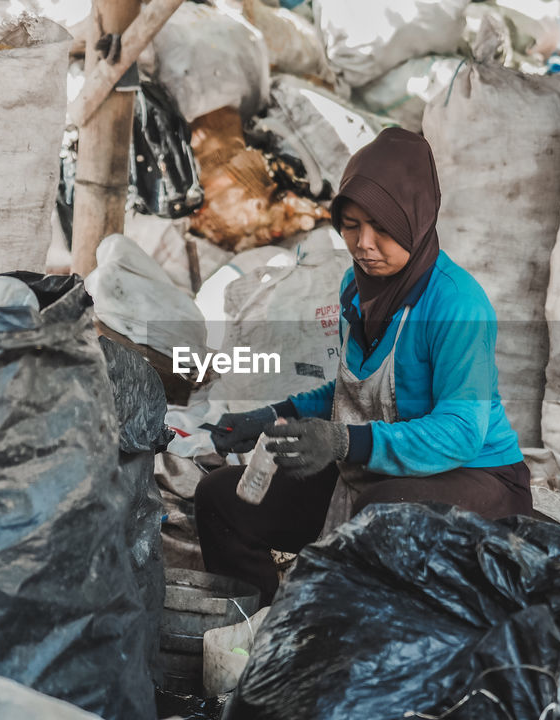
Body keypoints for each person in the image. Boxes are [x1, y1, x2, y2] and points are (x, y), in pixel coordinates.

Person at [194, 127, 533, 602]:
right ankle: (257, 637)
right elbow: (351, 392)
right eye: (351, 225)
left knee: (376, 518)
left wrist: (341, 440)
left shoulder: (457, 304)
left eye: (383, 228)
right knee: (220, 500)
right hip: (377, 467)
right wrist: (271, 415)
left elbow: (461, 431)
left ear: (416, 219)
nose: (364, 244)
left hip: (477, 479)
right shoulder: (356, 292)